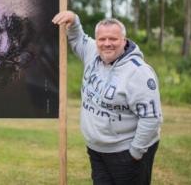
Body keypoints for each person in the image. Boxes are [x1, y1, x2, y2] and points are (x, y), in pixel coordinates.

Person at [52, 10, 163, 185]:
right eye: (102, 39)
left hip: (127, 153)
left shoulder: (139, 72)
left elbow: (151, 117)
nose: (107, 44)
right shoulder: (93, 53)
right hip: (97, 150)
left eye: (113, 39)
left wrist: (135, 152)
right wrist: (74, 20)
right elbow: (77, 38)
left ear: (124, 41)